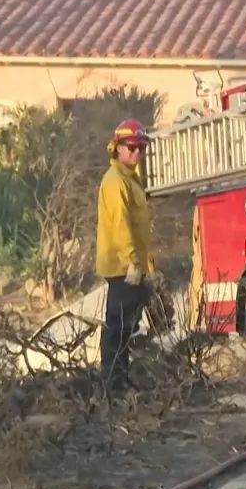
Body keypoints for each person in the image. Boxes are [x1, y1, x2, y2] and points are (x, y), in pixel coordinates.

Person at [96, 118, 156, 394]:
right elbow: (121, 226)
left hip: (132, 266)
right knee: (117, 328)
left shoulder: (130, 180)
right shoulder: (115, 182)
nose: (136, 153)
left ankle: (120, 380)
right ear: (117, 147)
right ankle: (112, 385)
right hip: (122, 268)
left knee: (127, 327)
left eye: (140, 148)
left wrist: (145, 265)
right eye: (131, 147)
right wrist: (133, 262)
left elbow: (138, 228)